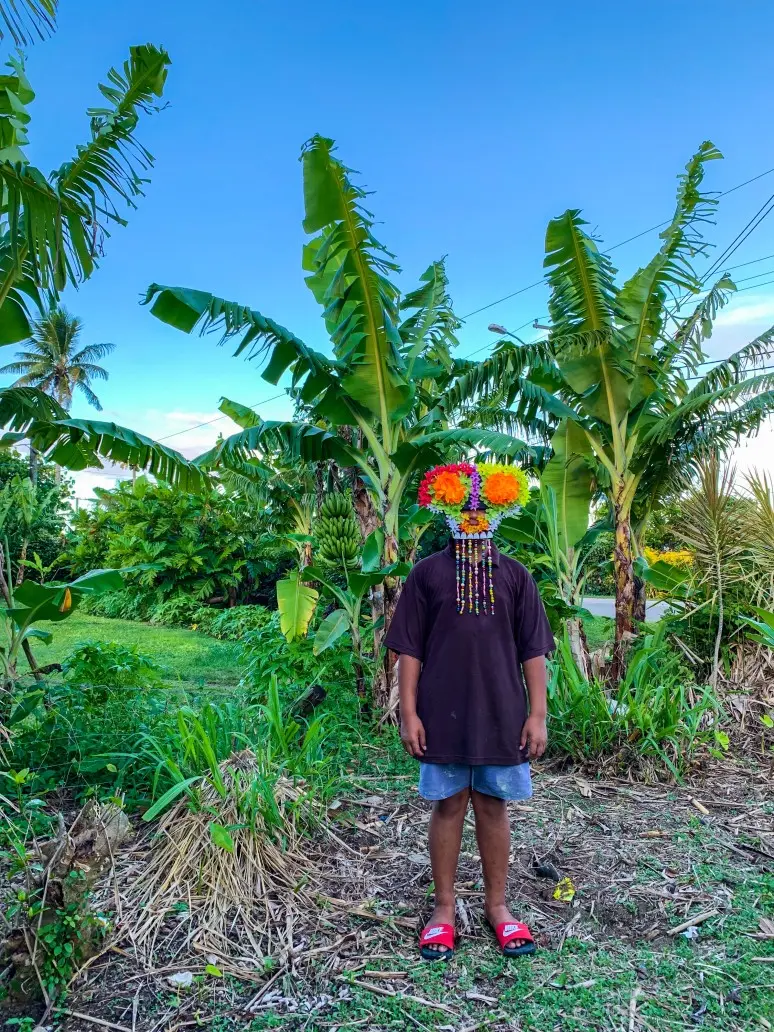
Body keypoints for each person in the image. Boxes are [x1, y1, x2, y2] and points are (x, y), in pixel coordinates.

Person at [384, 462, 554, 961]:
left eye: (483, 508)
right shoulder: (427, 574)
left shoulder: (516, 576)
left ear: (498, 512)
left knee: (493, 806)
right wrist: (408, 713)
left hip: (503, 712)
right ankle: (442, 909)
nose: (474, 516)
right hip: (441, 713)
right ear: (448, 511)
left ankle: (497, 907)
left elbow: (533, 651)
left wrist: (537, 713)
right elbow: (409, 652)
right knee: (449, 804)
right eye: (466, 508)